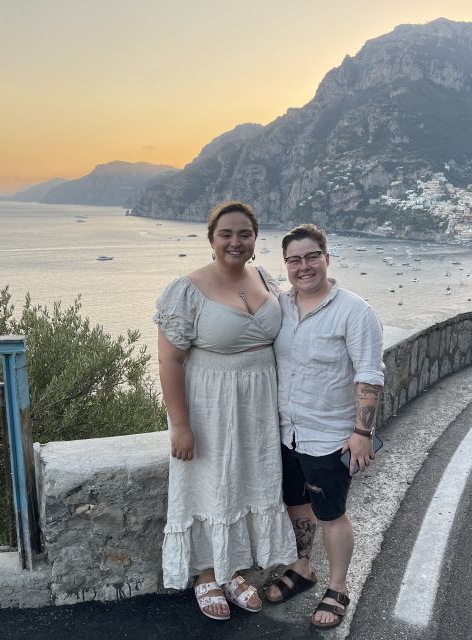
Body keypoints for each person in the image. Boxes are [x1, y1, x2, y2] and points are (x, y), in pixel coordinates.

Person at [154, 201, 297, 621]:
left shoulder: (264, 278)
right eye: (227, 234)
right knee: (209, 484)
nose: (236, 241)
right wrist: (180, 424)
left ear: (255, 239)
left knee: (247, 481)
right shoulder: (187, 289)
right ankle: (205, 575)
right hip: (209, 405)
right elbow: (169, 361)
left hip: (257, 403)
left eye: (245, 234)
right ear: (211, 239)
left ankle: (232, 570)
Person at [266, 223, 384, 630]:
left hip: (329, 436)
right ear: (286, 265)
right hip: (286, 432)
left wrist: (362, 433)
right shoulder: (280, 307)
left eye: (311, 256)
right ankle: (303, 568)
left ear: (326, 258)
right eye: (294, 260)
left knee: (331, 514)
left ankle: (337, 586)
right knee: (296, 504)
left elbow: (369, 374)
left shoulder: (355, 311)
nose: (304, 266)